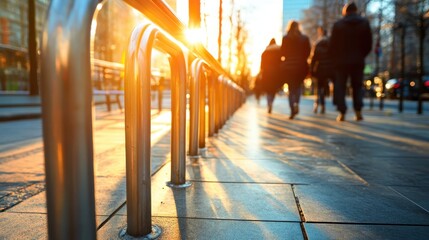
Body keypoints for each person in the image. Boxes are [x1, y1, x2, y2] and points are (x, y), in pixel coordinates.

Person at [329, 2, 372, 121]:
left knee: (340, 86)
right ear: (356, 10)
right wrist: (360, 55)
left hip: (341, 61)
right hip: (358, 61)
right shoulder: (364, 23)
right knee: (357, 86)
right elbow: (368, 44)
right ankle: (358, 111)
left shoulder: (338, 25)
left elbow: (332, 45)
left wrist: (336, 57)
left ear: (345, 11)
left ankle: (342, 112)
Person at [281, 20, 311, 119]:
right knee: (297, 86)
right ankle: (296, 103)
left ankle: (292, 108)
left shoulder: (285, 38)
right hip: (300, 66)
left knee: (290, 88)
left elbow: (282, 53)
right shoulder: (304, 38)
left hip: (288, 67)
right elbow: (308, 52)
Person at [310, 26, 334, 114]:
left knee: (318, 88)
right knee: (324, 87)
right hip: (329, 68)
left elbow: (313, 58)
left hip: (320, 68)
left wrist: (311, 70)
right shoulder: (330, 43)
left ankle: (317, 104)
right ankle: (323, 105)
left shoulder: (317, 43)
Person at [260, 38, 283, 113]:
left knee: (268, 89)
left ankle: (269, 102)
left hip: (267, 72)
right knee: (273, 90)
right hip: (276, 72)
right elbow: (281, 61)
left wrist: (262, 72)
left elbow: (262, 64)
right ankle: (271, 102)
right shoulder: (279, 50)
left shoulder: (265, 51)